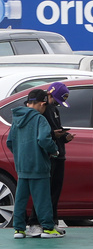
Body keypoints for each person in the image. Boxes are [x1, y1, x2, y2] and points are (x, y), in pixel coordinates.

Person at [7, 89, 63, 239]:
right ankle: (48, 228)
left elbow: (9, 142)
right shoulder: (40, 119)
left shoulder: (17, 119)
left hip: (22, 165)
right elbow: (44, 140)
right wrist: (54, 150)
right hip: (39, 165)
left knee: (21, 198)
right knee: (42, 198)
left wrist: (20, 154)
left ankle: (19, 229)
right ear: (42, 103)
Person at [24, 81, 74, 237]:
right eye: (53, 100)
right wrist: (55, 136)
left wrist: (64, 137)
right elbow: (44, 134)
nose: (52, 104)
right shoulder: (42, 110)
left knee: (54, 191)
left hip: (58, 155)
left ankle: (50, 222)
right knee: (43, 191)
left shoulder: (53, 109)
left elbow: (54, 130)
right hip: (49, 155)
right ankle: (35, 222)